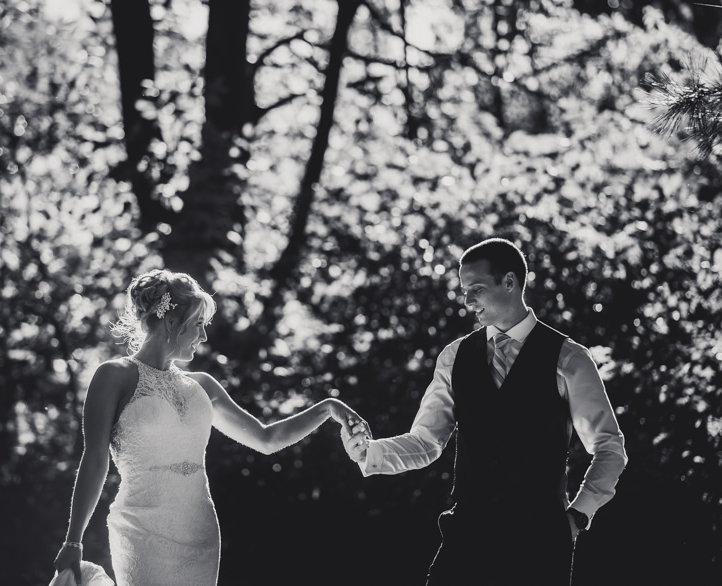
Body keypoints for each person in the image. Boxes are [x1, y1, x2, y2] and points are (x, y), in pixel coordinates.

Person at [53, 269, 366, 586]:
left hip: (199, 533)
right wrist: (73, 540)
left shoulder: (204, 386)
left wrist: (328, 408)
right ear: (172, 321)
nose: (203, 337)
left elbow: (267, 439)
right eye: (198, 325)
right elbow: (94, 460)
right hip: (141, 529)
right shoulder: (113, 376)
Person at [342, 238, 627, 585]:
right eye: (464, 290)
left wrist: (578, 516)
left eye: (476, 288)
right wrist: (369, 453)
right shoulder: (454, 356)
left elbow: (609, 447)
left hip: (540, 544)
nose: (467, 300)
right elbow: (427, 442)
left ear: (509, 282)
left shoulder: (568, 357)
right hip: (467, 537)